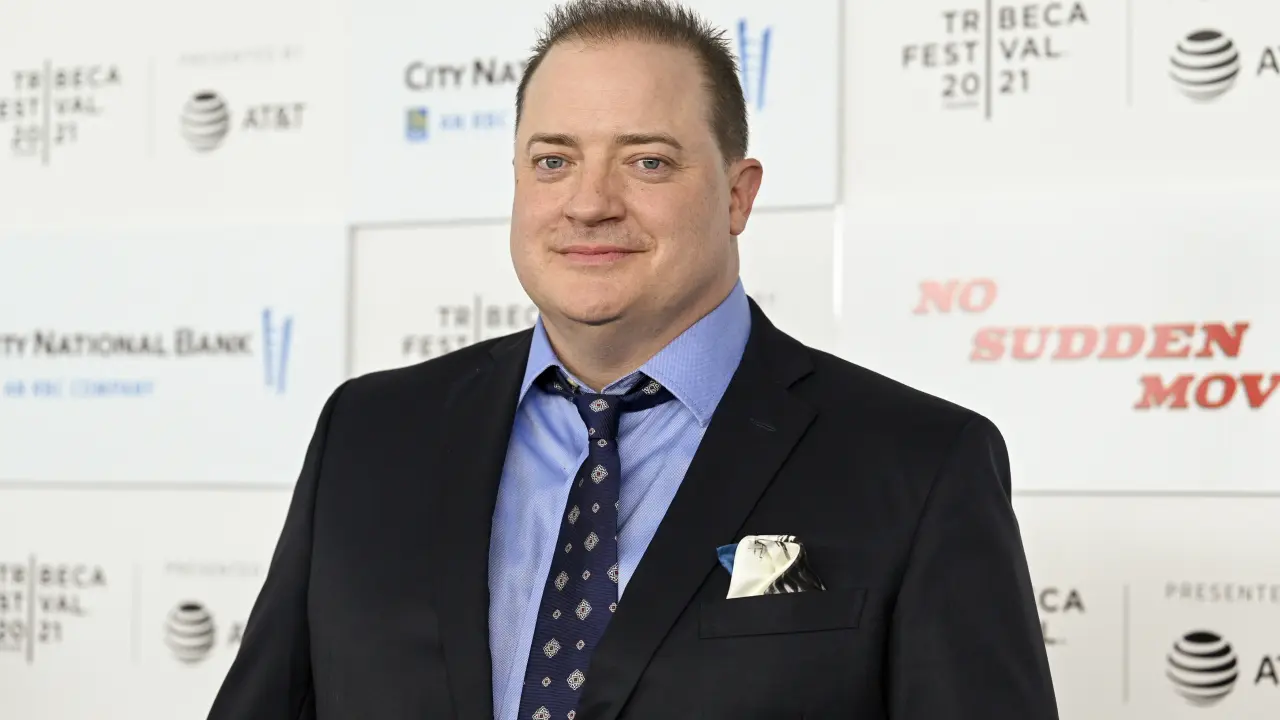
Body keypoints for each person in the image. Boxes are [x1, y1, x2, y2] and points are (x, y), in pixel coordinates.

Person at [207, 1, 1059, 718]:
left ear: (738, 194)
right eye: (554, 161)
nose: (588, 203)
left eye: (647, 161)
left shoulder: (920, 463)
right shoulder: (368, 432)